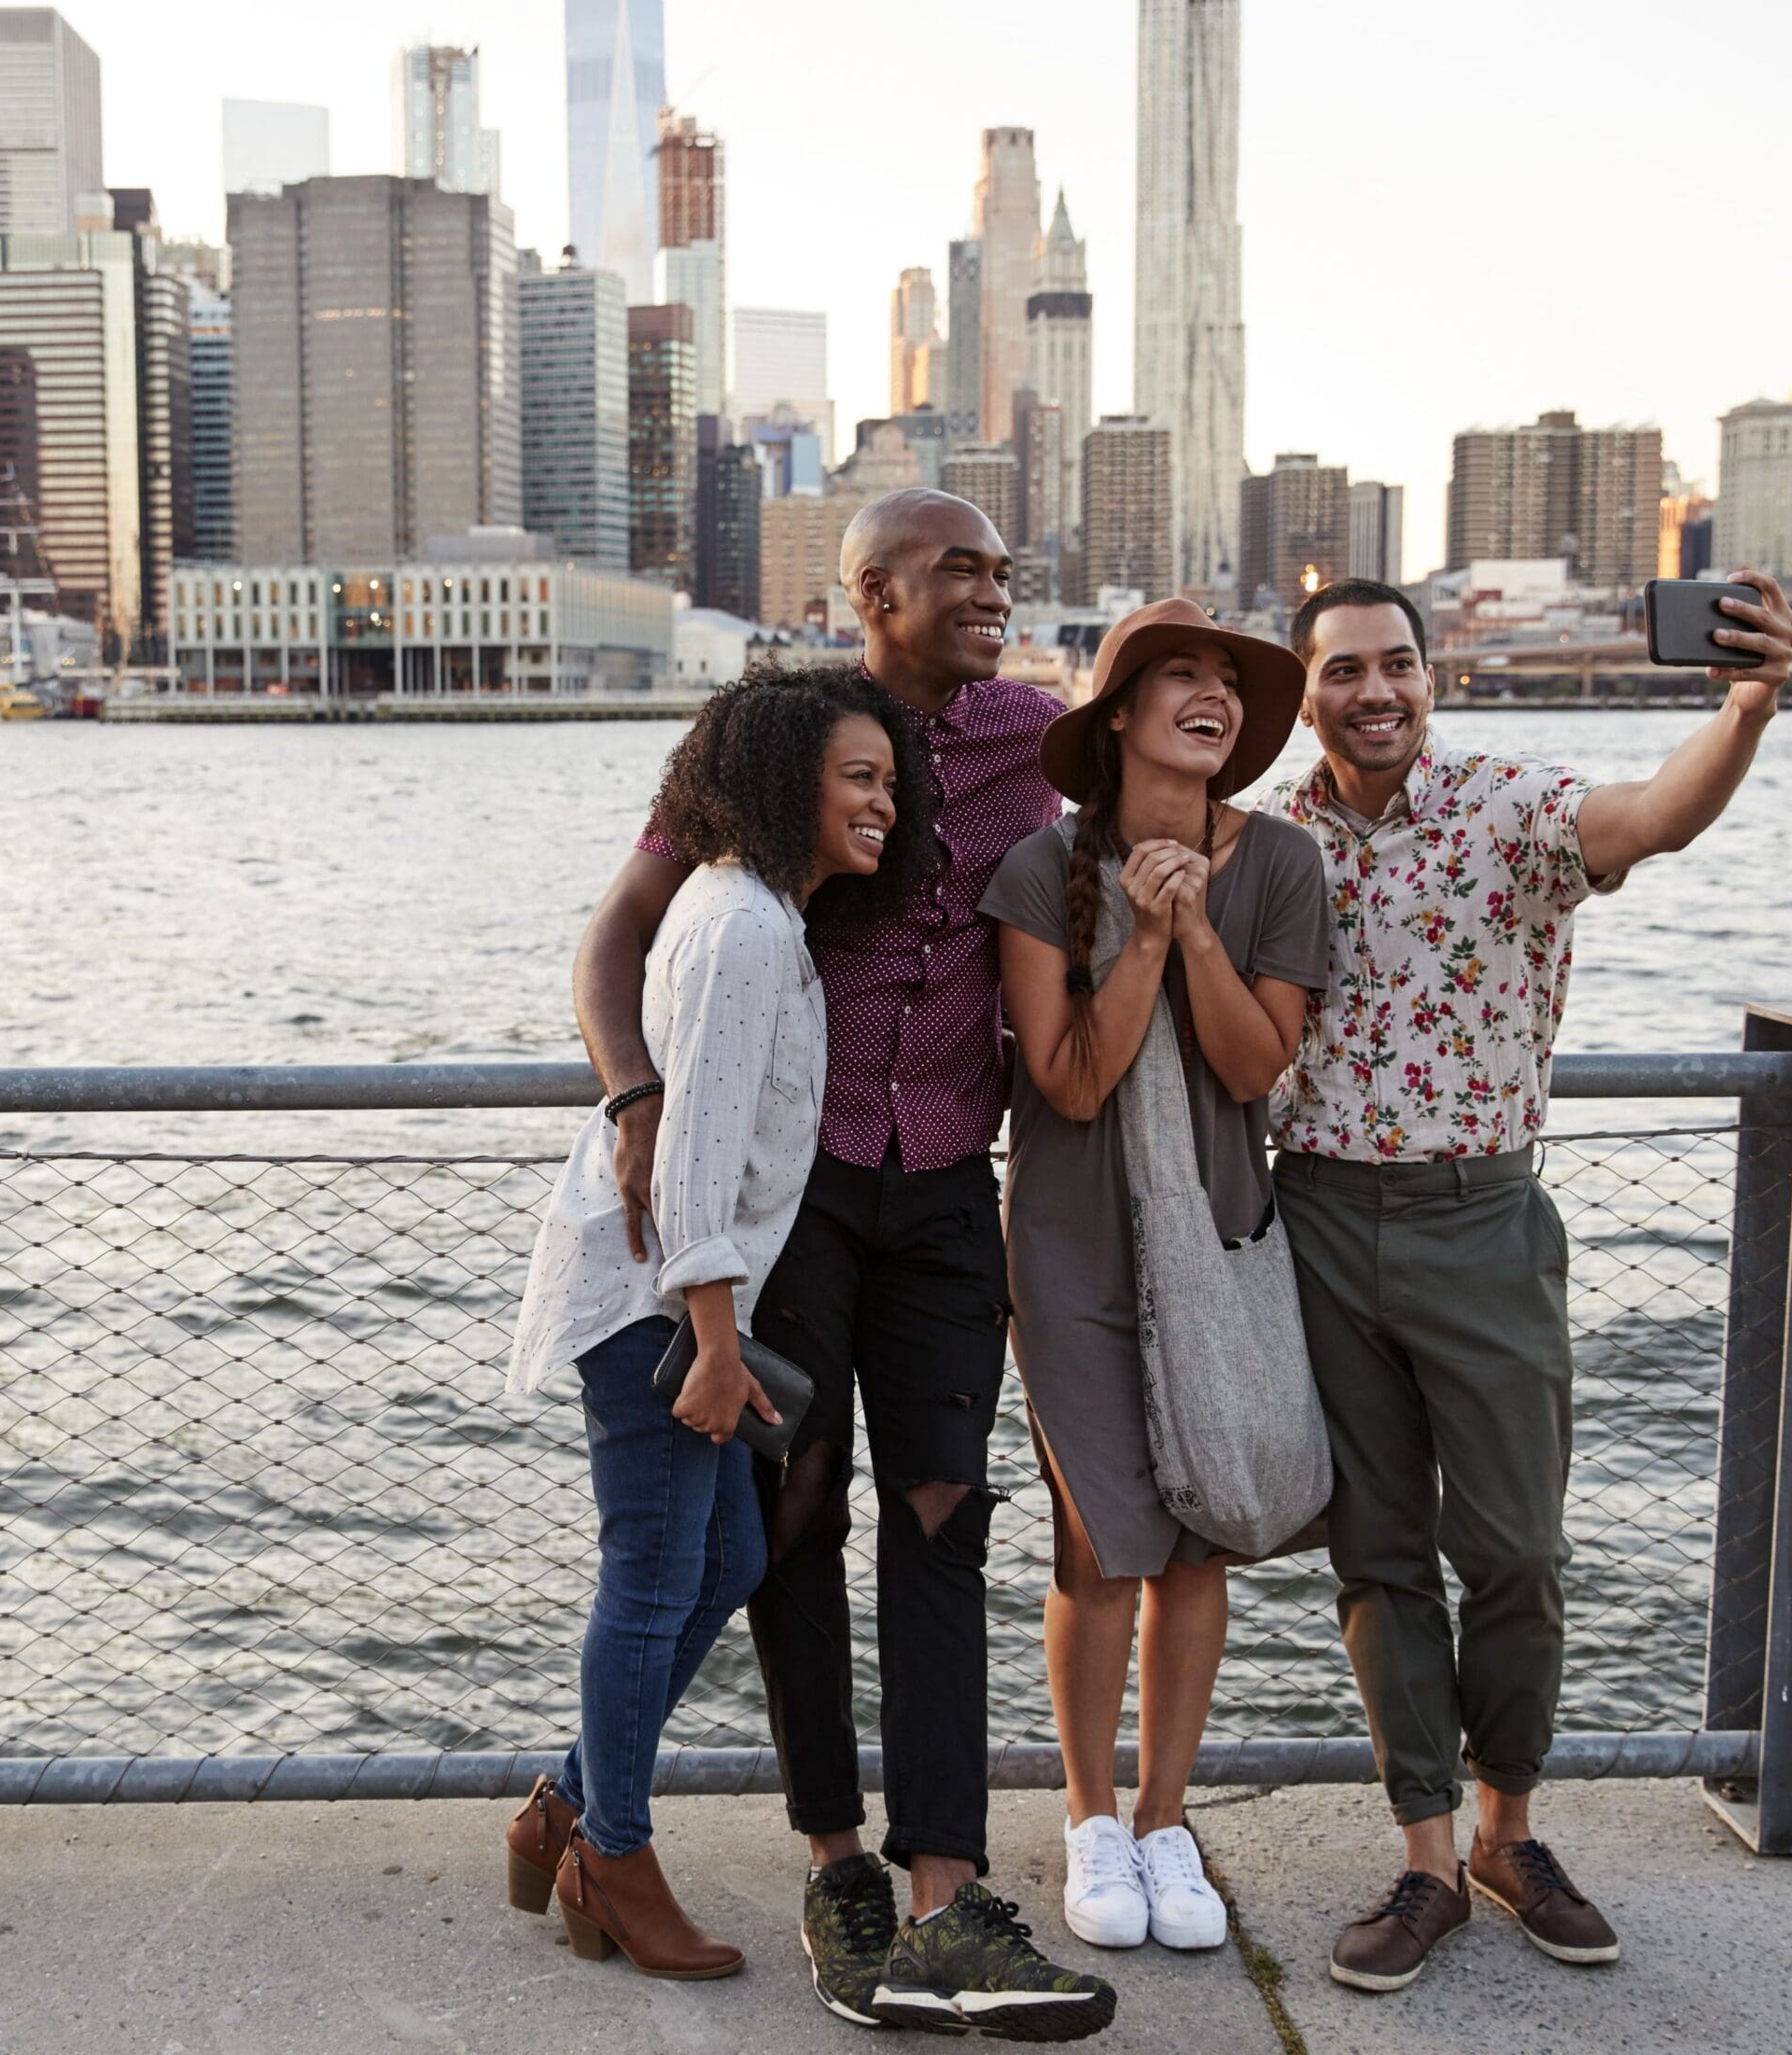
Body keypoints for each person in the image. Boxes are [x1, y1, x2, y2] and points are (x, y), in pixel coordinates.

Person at [567, 491, 1117, 2041]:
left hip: (948, 1187)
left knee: (944, 1513)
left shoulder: (1034, 729)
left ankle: (948, 1896)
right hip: (795, 1198)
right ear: (866, 590)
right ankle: (836, 1862)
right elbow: (613, 936)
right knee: (791, 1516)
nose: (992, 588)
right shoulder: (776, 732)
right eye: (957, 568)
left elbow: (1180, 752)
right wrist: (635, 1095)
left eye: (1006, 567)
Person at [1267, 572, 1792, 1992]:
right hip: (1313, 1213)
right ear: (1304, 688)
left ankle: (1512, 1829)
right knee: (1378, 1554)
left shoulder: (1512, 806)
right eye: (1342, 672)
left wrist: (1743, 709)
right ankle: (1430, 1858)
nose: (1373, 692)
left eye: (1396, 666)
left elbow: (1654, 815)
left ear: (1431, 678)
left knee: (1515, 1549)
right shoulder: (1270, 837)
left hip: (1482, 1215)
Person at [501, 665, 931, 1979]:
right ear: (780, 778)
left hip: (680, 1290)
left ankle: (567, 1802)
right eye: (857, 777)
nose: (882, 801)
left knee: (733, 1550)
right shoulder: (741, 926)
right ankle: (614, 1856)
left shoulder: (761, 917)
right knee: (653, 1571)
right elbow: (683, 1157)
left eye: (891, 783)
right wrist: (717, 1341)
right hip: (657, 1298)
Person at [981, 598, 1330, 1955]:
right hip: (1070, 1250)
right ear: (1116, 715)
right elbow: (1069, 1081)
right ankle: (1089, 1817)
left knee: (1202, 1528)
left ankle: (1167, 1815)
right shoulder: (1034, 871)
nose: (1212, 698)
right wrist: (1133, 932)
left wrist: (1193, 932)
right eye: (1178, 676)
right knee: (1100, 1539)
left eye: (1229, 684)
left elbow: (1254, 1068)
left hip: (1226, 1240)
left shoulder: (1282, 866)